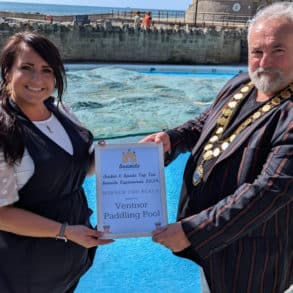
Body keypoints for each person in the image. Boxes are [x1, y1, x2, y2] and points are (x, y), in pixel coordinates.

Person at [141, 2, 293, 292]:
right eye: (257, 52)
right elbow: (206, 123)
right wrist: (171, 138)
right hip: (214, 246)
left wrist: (194, 231)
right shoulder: (241, 83)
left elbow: (269, 190)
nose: (264, 62)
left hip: (253, 257)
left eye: (278, 51)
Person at [0, 31, 113, 293]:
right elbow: (2, 214)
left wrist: (122, 158)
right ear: (7, 73)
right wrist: (65, 231)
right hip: (24, 266)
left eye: (46, 70)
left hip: (69, 257)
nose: (38, 79)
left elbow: (77, 169)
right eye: (26, 68)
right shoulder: (5, 132)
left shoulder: (62, 112)